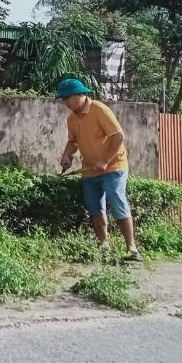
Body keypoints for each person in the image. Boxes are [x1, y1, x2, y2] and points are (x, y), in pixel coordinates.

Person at [56, 78, 141, 263]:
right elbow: (73, 141)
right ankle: (104, 245)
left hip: (113, 167)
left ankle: (132, 248)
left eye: (67, 98)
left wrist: (104, 161)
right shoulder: (71, 119)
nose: (65, 102)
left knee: (117, 201)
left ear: (80, 94)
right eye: (63, 99)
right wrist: (66, 156)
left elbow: (118, 136)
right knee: (95, 208)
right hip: (90, 170)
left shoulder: (99, 109)